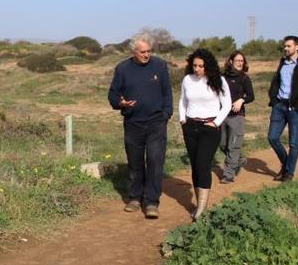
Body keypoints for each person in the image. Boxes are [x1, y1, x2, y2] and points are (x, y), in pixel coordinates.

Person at [107, 33, 173, 219]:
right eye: (142, 52)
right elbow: (112, 96)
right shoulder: (122, 69)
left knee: (154, 161)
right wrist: (121, 104)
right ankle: (135, 198)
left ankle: (152, 202)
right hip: (133, 123)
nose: (146, 55)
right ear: (134, 51)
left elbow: (167, 92)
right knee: (135, 163)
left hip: (156, 123)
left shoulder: (159, 66)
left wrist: (166, 113)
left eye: (149, 51)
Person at [179, 48, 231, 221]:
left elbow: (227, 104)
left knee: (203, 164)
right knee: (195, 165)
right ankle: (199, 205)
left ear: (208, 66)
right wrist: (182, 119)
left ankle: (201, 208)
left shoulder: (219, 81)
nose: (197, 69)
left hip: (210, 128)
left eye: (201, 66)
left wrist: (216, 122)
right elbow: (183, 101)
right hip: (190, 127)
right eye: (194, 65)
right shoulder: (187, 80)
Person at [267, 35, 298, 182]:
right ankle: (286, 165)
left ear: (297, 47)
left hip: (295, 108)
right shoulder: (283, 63)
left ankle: (289, 173)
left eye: (289, 46)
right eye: (285, 46)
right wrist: (274, 100)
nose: (285, 48)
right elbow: (275, 83)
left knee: (293, 143)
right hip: (279, 106)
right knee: (272, 138)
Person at [219, 51, 254, 183]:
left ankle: (228, 175)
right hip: (222, 115)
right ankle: (239, 160)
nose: (240, 63)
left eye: (242, 61)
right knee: (222, 144)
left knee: (233, 145)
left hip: (237, 116)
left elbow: (251, 95)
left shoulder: (244, 78)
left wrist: (241, 100)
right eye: (237, 60)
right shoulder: (222, 77)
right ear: (231, 61)